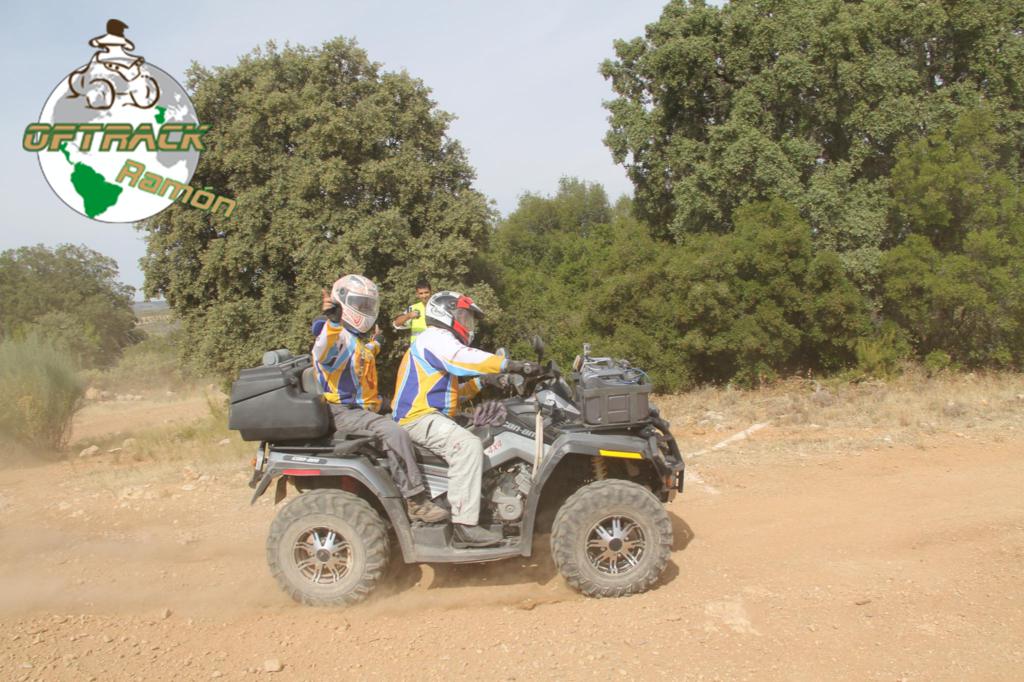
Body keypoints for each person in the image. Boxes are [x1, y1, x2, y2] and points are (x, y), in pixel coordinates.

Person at [391, 290, 536, 547]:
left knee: (489, 430)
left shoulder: (438, 343)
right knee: (467, 446)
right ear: (445, 314)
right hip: (417, 417)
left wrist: (484, 381)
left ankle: (486, 503)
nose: (467, 325)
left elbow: (453, 394)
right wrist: (507, 364)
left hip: (431, 415)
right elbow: (461, 358)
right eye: (463, 317)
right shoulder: (434, 337)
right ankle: (465, 527)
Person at [314, 275, 448, 524]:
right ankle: (416, 500)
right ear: (343, 304)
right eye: (360, 305)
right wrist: (331, 322)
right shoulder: (334, 336)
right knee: (393, 432)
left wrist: (377, 343)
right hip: (344, 411)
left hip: (363, 408)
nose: (364, 310)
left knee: (411, 413)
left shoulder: (352, 339)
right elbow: (324, 349)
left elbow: (363, 355)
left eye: (367, 305)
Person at [391, 279, 432, 343]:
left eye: (426, 292)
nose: (424, 296)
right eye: (421, 293)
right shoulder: (412, 308)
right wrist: (408, 316)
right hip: (417, 347)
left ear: (431, 292)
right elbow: (396, 324)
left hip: (434, 346)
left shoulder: (439, 307)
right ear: (417, 294)